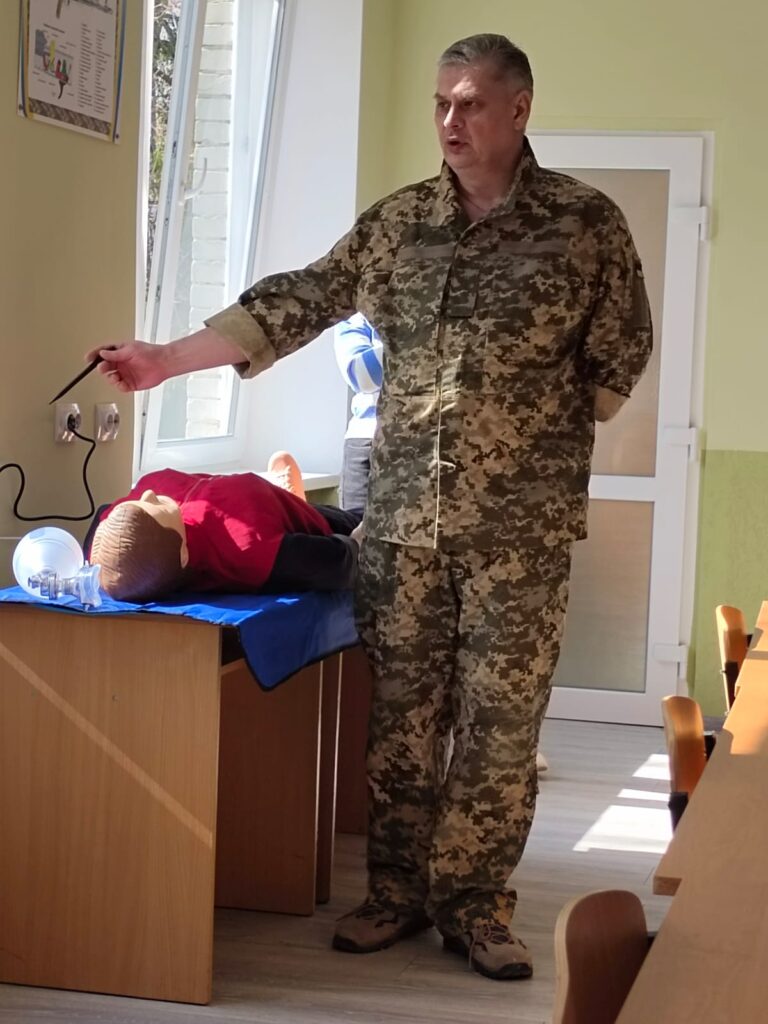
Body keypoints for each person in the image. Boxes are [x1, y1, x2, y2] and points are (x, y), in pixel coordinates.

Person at [87, 34, 652, 979]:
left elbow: (619, 351)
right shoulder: (399, 224)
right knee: (402, 722)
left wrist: (538, 435)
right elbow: (298, 300)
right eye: (441, 102)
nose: (450, 121)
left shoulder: (585, 224)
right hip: (403, 525)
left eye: (471, 103)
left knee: (502, 726)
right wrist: (166, 360)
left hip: (522, 534)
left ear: (519, 110)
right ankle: (395, 895)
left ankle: (476, 907)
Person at [88, 464, 362, 602]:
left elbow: (102, 522)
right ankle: (294, 500)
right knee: (355, 520)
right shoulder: (246, 547)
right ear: (182, 553)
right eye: (154, 507)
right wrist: (358, 543)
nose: (148, 494)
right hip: (291, 518)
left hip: (251, 499)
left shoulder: (115, 532)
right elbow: (334, 564)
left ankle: (289, 493)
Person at [333, 312, 383, 510]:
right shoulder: (357, 315)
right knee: (356, 525)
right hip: (366, 439)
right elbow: (362, 375)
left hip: (437, 438)